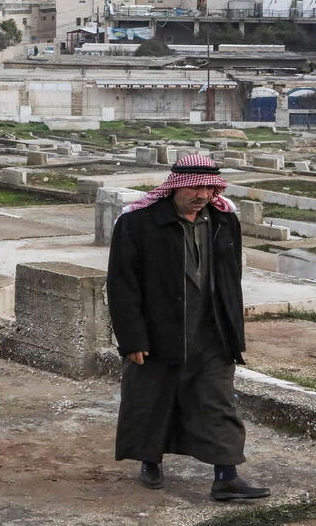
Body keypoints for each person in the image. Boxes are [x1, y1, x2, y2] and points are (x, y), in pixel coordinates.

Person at [106, 154, 270, 500]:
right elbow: (123, 284)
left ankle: (226, 476)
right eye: (196, 186)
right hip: (158, 332)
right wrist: (132, 338)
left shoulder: (225, 221)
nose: (203, 195)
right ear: (176, 185)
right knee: (151, 400)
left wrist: (233, 330)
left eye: (211, 187)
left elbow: (230, 279)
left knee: (219, 402)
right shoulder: (138, 223)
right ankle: (150, 460)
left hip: (212, 332)